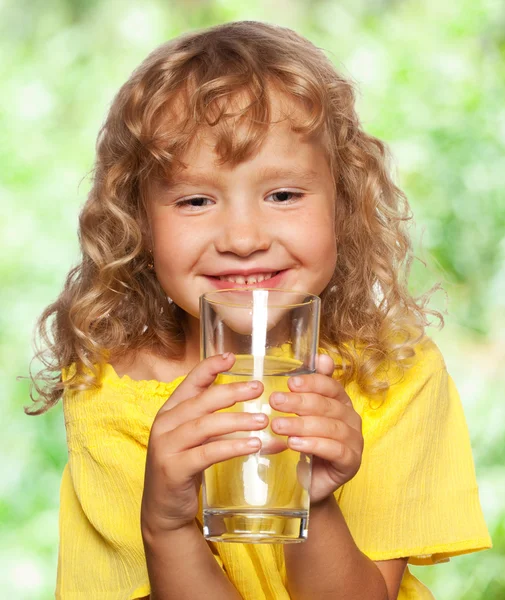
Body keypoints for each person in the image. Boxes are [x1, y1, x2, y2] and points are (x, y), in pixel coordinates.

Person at [27, 21, 491, 600]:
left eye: (283, 194)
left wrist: (312, 500)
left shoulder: (394, 378)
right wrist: (166, 526)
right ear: (139, 224)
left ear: (342, 205)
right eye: (195, 200)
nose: (243, 237)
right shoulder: (110, 396)